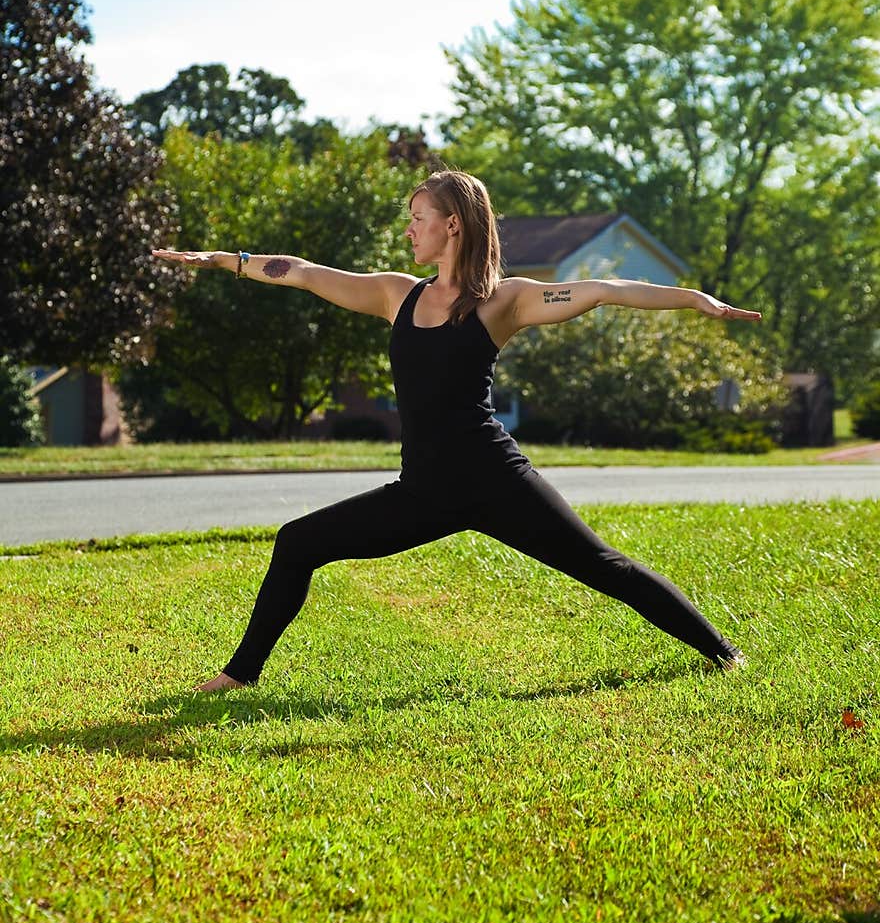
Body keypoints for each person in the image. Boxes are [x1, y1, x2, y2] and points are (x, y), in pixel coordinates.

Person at [151, 169, 761, 693]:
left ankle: (724, 654)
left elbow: (602, 290)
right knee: (297, 542)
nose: (409, 229)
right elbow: (305, 273)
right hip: (423, 492)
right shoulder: (397, 296)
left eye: (419, 217)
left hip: (497, 480)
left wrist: (693, 299)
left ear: (454, 225)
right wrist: (223, 261)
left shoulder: (506, 300)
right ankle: (240, 674)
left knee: (605, 567)